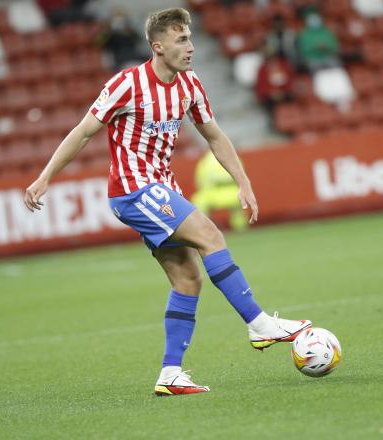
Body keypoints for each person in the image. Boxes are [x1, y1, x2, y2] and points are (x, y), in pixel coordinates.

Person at [24, 8, 311, 396]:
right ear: (157, 47)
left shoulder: (190, 85)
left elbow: (214, 135)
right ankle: (259, 324)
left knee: (188, 278)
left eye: (191, 39)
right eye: (181, 40)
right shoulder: (127, 84)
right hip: (133, 189)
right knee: (210, 234)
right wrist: (45, 177)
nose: (190, 47)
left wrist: (243, 181)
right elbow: (83, 132)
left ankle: (170, 373)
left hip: (161, 188)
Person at [192, 150, 248, 231]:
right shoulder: (207, 161)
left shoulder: (206, 161)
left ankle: (241, 229)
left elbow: (200, 181)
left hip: (229, 191)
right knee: (199, 201)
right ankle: (202, 229)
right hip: (217, 193)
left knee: (238, 209)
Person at [296, 8, 341, 73]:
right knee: (314, 67)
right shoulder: (304, 34)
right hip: (313, 59)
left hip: (328, 57)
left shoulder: (327, 32)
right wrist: (315, 47)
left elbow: (335, 46)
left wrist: (326, 46)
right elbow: (302, 50)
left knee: (336, 65)